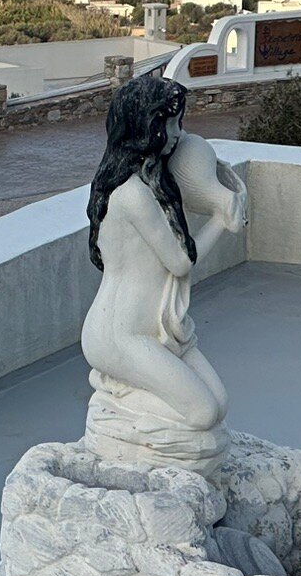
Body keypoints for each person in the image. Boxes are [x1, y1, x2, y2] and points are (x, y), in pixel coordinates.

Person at [81, 74, 247, 472]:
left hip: (161, 330)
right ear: (144, 128)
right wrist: (222, 222)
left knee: (220, 404)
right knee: (203, 414)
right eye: (168, 124)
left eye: (179, 123)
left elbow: (195, 164)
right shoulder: (133, 193)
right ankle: (111, 405)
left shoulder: (152, 181)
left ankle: (129, 390)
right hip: (120, 334)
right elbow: (180, 263)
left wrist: (213, 188)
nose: (176, 135)